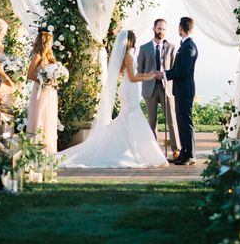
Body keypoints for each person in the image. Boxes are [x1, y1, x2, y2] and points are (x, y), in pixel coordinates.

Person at [59, 30, 168, 168]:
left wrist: (145, 75)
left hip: (127, 88)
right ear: (131, 41)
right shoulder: (128, 55)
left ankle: (132, 149)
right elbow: (133, 77)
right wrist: (149, 76)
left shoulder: (125, 55)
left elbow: (126, 73)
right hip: (129, 89)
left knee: (127, 119)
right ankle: (136, 152)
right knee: (132, 118)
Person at [156, 17, 198, 166]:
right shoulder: (184, 46)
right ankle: (184, 153)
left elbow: (184, 70)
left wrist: (165, 74)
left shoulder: (189, 47)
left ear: (181, 28)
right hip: (180, 91)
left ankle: (190, 155)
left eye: (179, 27)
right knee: (181, 122)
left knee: (186, 123)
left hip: (185, 91)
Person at [137, 18, 180, 161]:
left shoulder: (172, 48)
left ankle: (176, 149)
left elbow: (174, 69)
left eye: (163, 29)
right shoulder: (144, 48)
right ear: (154, 29)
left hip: (166, 88)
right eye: (159, 28)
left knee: (171, 120)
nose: (161, 31)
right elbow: (140, 69)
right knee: (152, 122)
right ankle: (154, 151)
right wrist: (149, 76)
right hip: (150, 89)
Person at [26, 31, 59, 155]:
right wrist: (42, 81)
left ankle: (48, 149)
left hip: (50, 92)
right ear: (43, 42)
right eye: (49, 41)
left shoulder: (49, 57)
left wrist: (55, 80)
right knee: (39, 117)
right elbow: (29, 75)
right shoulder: (37, 56)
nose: (51, 43)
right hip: (40, 91)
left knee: (48, 117)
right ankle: (35, 149)